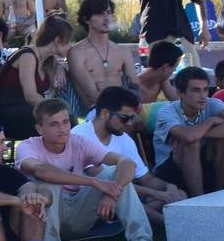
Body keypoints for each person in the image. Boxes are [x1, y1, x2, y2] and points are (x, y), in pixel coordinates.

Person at [17, 100, 172, 241]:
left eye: (65, 122)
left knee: (115, 172)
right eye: (54, 124)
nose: (62, 128)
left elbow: (126, 162)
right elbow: (41, 170)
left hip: (78, 214)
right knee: (46, 182)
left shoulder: (79, 142)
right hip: (45, 218)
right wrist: (94, 182)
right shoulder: (27, 146)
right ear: (40, 128)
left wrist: (111, 194)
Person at [74, 87, 186, 228]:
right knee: (126, 197)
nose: (129, 124)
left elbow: (146, 179)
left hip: (117, 196)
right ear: (104, 114)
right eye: (124, 118)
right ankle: (172, 226)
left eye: (132, 118)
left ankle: (134, 217)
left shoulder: (124, 138)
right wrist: (158, 194)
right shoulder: (80, 136)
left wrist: (169, 187)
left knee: (179, 194)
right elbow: (105, 183)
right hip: (88, 200)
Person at [153, 67, 224, 196]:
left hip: (203, 163)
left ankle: (219, 194)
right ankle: (199, 200)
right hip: (169, 170)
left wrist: (200, 135)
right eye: (195, 90)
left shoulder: (213, 103)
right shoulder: (167, 111)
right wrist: (210, 122)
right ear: (180, 92)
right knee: (190, 143)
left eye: (205, 89)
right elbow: (188, 137)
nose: (203, 96)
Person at [0, 16, 74, 141]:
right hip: (8, 113)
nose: (70, 46)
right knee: (60, 122)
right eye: (68, 41)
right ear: (58, 40)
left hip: (29, 111)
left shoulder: (48, 60)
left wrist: (59, 68)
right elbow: (30, 95)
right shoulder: (28, 55)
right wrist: (55, 111)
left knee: (66, 120)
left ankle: (63, 157)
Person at [68, 0, 139, 114]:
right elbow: (91, 94)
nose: (106, 18)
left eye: (109, 12)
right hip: (95, 112)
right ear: (86, 19)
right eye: (100, 13)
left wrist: (134, 108)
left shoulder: (123, 51)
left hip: (125, 109)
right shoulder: (77, 52)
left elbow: (135, 86)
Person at [136, 40, 183, 105]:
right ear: (166, 67)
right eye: (174, 67)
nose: (174, 71)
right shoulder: (135, 88)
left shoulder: (161, 79)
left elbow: (176, 100)